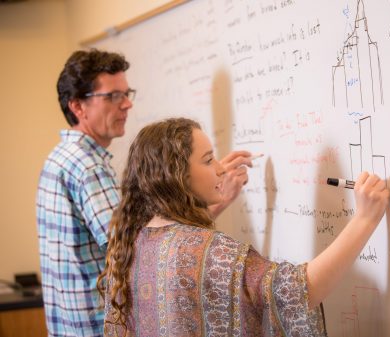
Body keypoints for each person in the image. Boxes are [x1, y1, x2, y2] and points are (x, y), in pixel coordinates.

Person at [99, 118, 389, 336]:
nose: (221, 168)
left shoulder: (136, 241)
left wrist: (216, 199)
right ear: (177, 175)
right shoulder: (212, 252)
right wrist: (365, 219)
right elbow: (297, 292)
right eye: (208, 159)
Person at [36, 50, 251, 337]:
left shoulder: (59, 158)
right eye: (113, 96)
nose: (127, 104)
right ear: (78, 106)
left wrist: (209, 174)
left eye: (127, 93)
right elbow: (139, 250)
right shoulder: (88, 167)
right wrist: (220, 196)